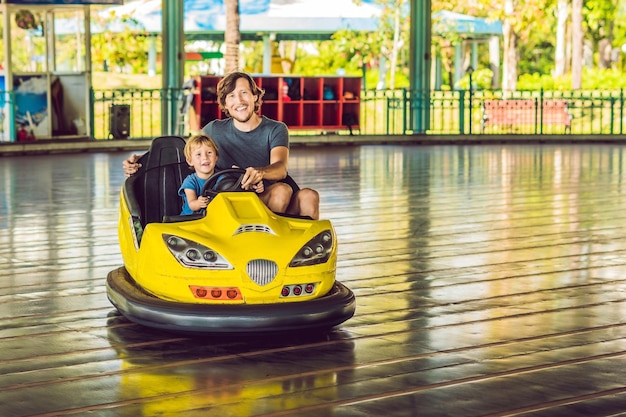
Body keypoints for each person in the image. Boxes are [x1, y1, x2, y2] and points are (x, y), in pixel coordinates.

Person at [123, 71, 320, 219]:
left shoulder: (275, 129)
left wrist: (259, 173)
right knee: (282, 191)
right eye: (231, 96)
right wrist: (141, 159)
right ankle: (265, 251)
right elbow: (191, 151)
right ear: (225, 104)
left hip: (265, 194)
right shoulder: (214, 130)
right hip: (232, 201)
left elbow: (280, 168)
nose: (239, 101)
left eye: (244, 93)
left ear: (255, 97)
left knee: (309, 196)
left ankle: (307, 258)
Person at [178, 133, 264, 215]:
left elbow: (235, 189)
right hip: (192, 219)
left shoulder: (223, 178)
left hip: (216, 218)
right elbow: (192, 204)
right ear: (190, 161)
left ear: (216, 157)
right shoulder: (190, 181)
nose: (205, 157)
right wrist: (198, 203)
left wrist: (252, 186)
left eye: (209, 153)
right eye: (198, 154)